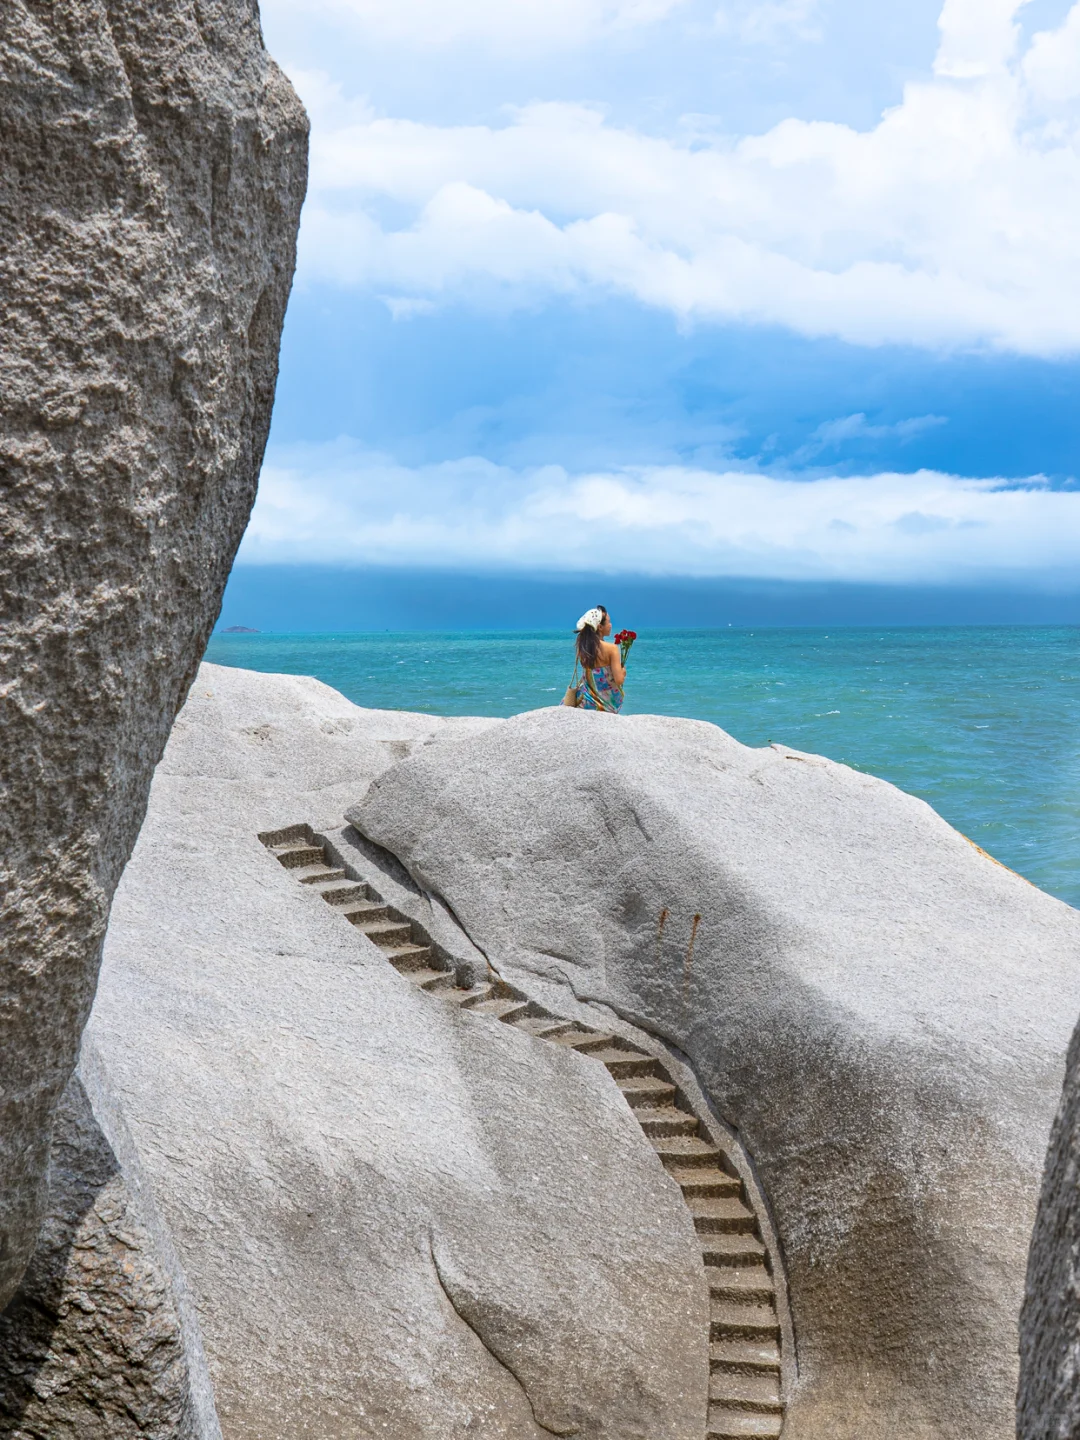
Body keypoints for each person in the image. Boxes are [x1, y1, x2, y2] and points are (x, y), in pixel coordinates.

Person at [574, 605, 625, 712]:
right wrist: (623, 672)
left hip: (586, 701)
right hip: (605, 704)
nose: (611, 625)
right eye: (608, 622)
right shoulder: (612, 649)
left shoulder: (583, 647)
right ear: (600, 627)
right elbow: (619, 680)